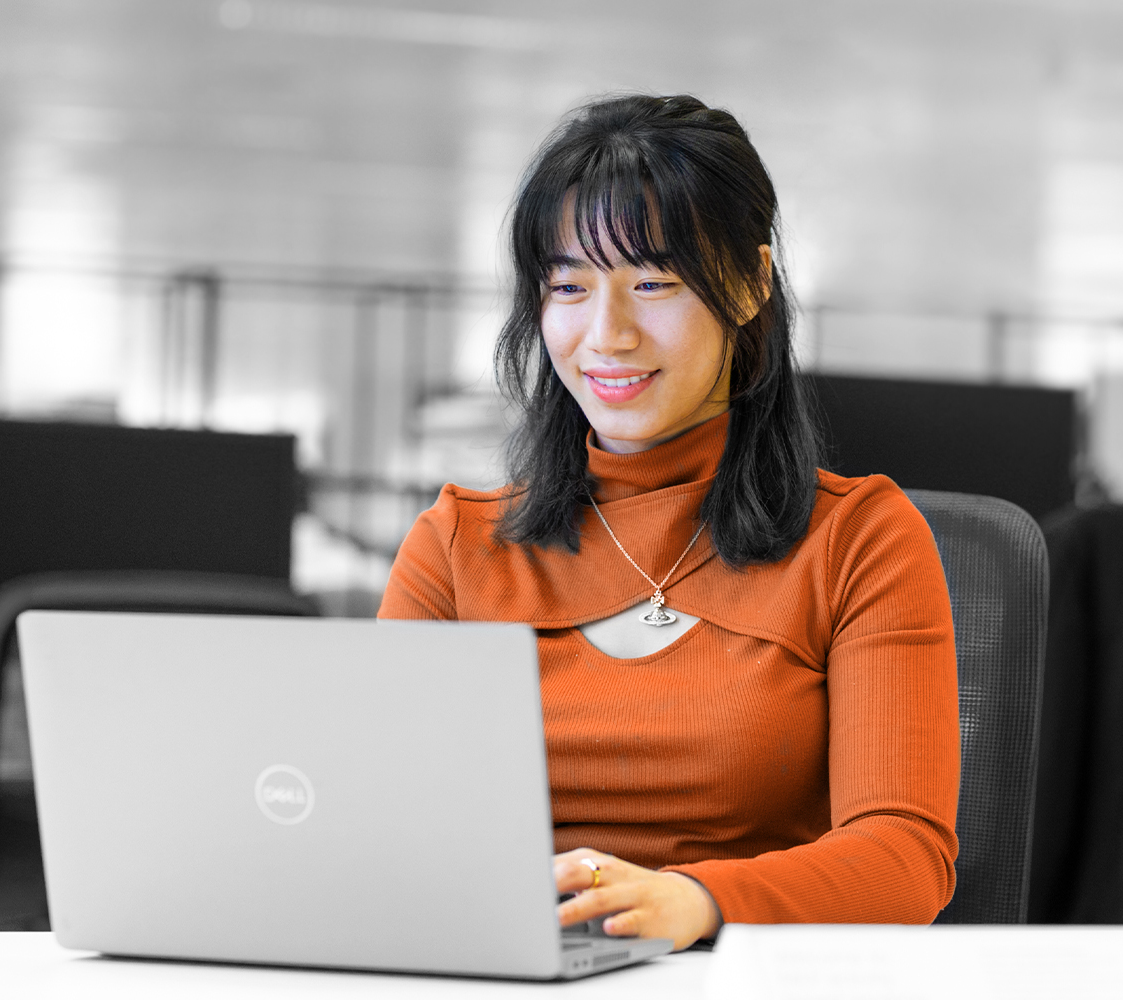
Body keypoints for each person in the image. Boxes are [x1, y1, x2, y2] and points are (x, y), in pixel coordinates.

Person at [379, 94, 960, 950]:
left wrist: (698, 902)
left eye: (654, 283)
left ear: (750, 283)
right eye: (568, 286)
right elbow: (367, 822)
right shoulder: (458, 549)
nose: (605, 334)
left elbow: (905, 858)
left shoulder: (860, 540)